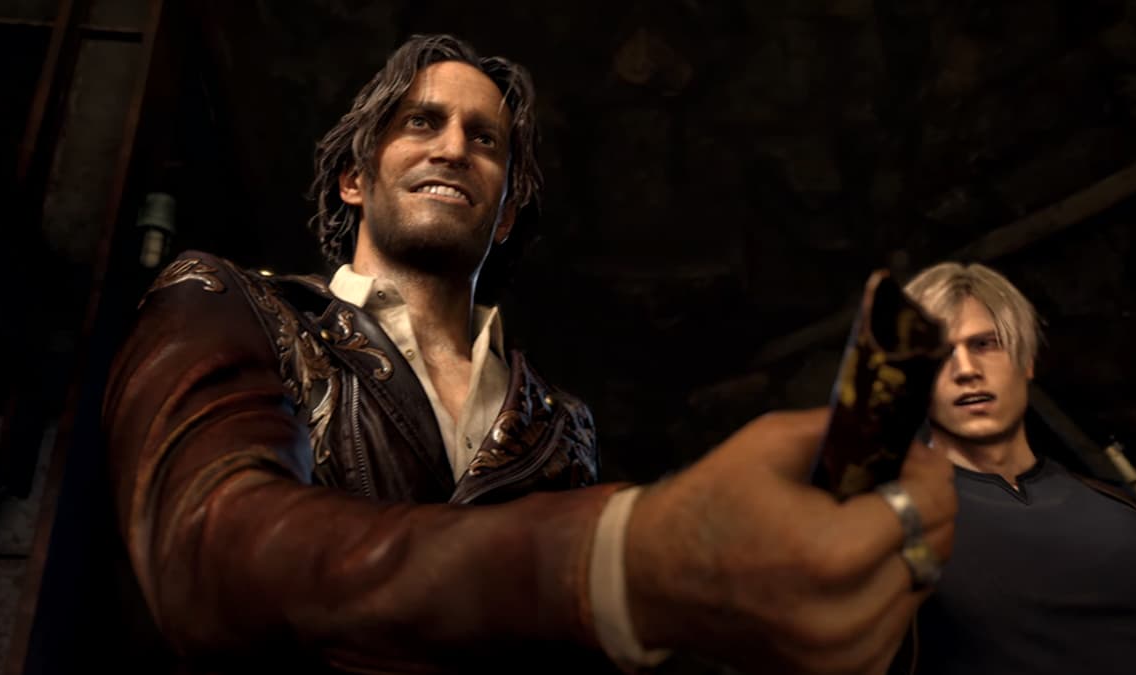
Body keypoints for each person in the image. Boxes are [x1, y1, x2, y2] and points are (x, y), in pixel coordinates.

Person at [103, 33, 956, 674]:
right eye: (421, 121)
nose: (453, 147)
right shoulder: (229, 303)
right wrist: (614, 555)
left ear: (506, 210)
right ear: (354, 179)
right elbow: (205, 548)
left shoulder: (559, 422)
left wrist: (799, 593)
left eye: (487, 140)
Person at [902, 262, 1136, 675]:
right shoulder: (897, 528)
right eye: (939, 354)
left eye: (985, 344)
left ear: (1027, 359)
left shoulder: (1118, 507)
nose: (966, 370)